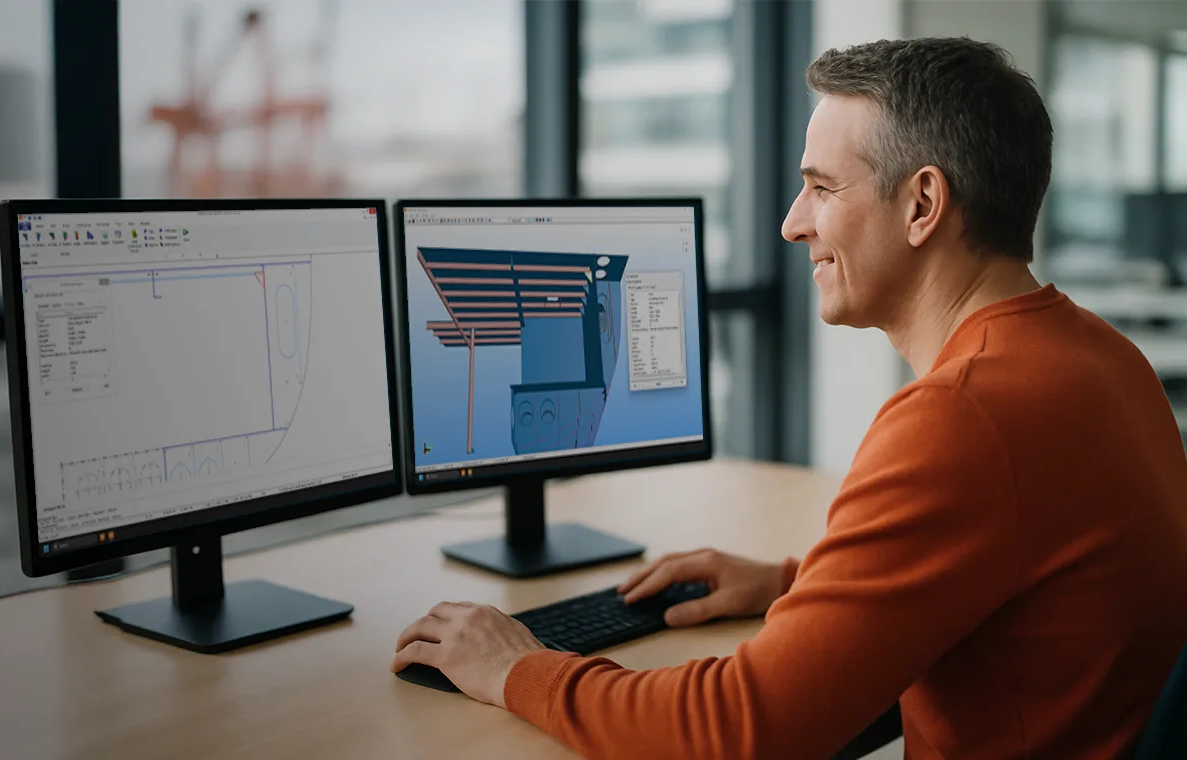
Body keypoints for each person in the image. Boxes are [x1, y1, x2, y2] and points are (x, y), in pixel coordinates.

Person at [392, 37, 1187, 759]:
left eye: (819, 188)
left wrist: (520, 668)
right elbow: (1022, 575)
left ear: (922, 205)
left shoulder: (961, 416)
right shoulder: (1105, 360)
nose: (789, 224)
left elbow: (737, 729)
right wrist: (791, 583)